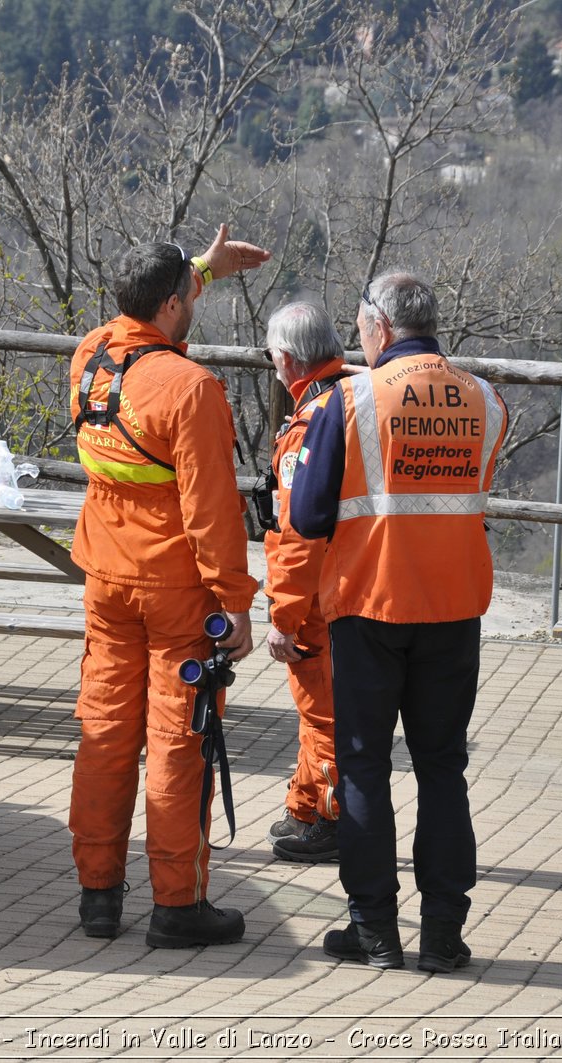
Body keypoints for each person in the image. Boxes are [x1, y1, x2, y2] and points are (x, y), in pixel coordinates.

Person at [290, 272, 508, 972]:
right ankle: (443, 932)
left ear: (378, 327)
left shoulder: (349, 399)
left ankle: (374, 929)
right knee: (443, 766)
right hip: (454, 607)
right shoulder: (486, 401)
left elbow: (307, 514)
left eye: (360, 325)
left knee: (363, 765)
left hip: (369, 604)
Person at [68, 227, 269, 948]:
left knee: (105, 734)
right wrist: (237, 602)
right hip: (176, 590)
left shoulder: (90, 354)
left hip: (106, 577)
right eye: (190, 293)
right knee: (180, 740)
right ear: (175, 305)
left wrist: (204, 270)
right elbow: (212, 514)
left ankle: (98, 896)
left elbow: (151, 319)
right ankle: (176, 903)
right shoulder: (192, 388)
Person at [260, 302, 352, 863]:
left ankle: (333, 822)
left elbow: (297, 535)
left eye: (272, 356)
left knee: (323, 711)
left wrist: (282, 617)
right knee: (314, 706)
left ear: (289, 359)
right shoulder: (349, 397)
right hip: (348, 583)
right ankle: (307, 805)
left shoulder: (311, 422)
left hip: (318, 594)